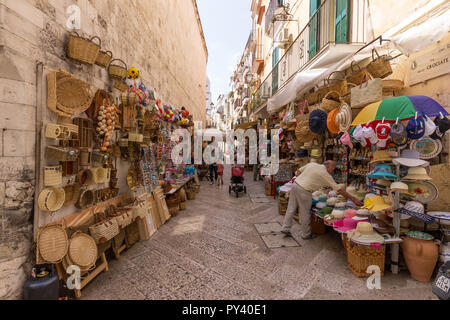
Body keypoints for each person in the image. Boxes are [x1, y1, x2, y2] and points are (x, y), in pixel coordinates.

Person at [281, 160, 363, 240]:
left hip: (295, 185)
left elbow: (298, 172)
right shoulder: (325, 174)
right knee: (304, 212)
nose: (332, 171)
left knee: (291, 208)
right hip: (304, 190)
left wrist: (305, 179)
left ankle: (285, 228)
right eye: (333, 168)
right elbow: (339, 190)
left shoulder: (312, 164)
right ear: (328, 167)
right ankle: (306, 234)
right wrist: (353, 199)